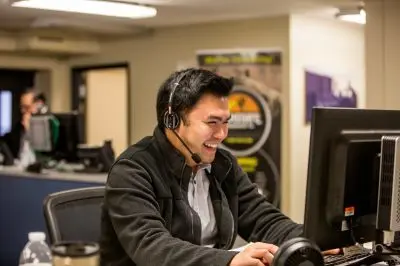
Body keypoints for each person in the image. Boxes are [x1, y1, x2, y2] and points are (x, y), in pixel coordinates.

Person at [100, 68, 328, 266]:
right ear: (172, 121)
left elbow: (263, 220)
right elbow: (152, 249)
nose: (221, 135)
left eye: (226, 122)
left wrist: (310, 241)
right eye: (212, 123)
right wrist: (227, 260)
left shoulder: (223, 164)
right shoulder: (132, 170)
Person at [1, 88, 38, 165]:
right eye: (21, 107)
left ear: (36, 106)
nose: (23, 111)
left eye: (27, 107)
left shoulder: (47, 126)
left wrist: (29, 130)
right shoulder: (18, 127)